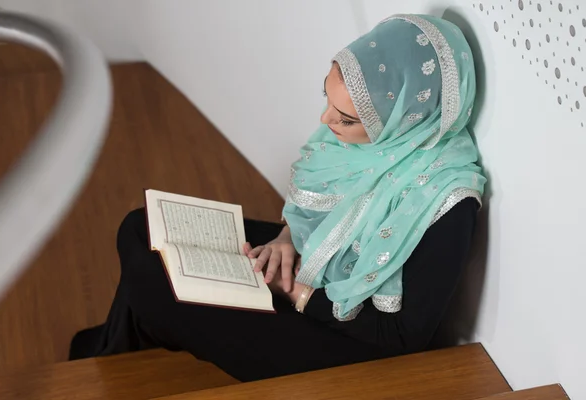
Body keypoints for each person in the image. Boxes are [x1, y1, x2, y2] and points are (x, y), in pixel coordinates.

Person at [70, 14, 486, 382]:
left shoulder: (447, 201)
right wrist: (288, 238)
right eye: (327, 96)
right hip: (316, 271)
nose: (325, 121)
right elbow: (329, 211)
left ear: (405, 114)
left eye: (344, 118)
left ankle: (112, 355)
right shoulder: (379, 137)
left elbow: (400, 339)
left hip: (353, 351)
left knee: (151, 285)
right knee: (139, 227)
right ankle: (121, 348)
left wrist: (298, 293)